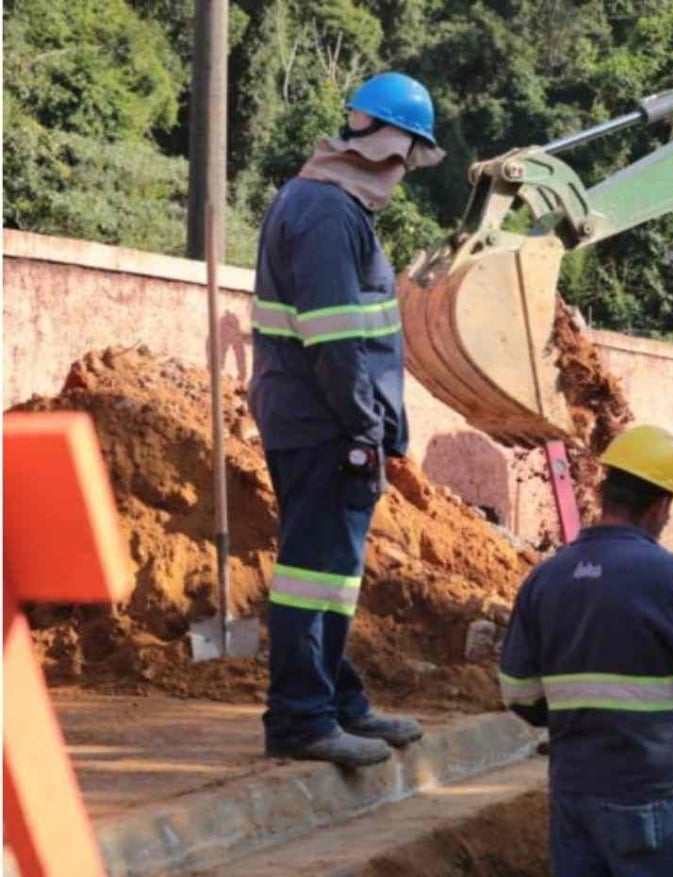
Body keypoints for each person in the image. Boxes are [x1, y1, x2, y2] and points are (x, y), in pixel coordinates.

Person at [248, 72, 446, 767]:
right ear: (386, 148)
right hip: (324, 424)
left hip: (319, 419)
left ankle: (338, 698)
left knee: (331, 572)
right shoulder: (328, 213)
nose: (402, 173)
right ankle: (302, 716)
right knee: (314, 570)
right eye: (405, 157)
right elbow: (334, 342)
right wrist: (367, 427)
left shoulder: (330, 207)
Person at [499, 425, 673, 876]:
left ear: (607, 494)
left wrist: (575, 717)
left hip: (573, 796)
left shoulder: (547, 578)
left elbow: (519, 694)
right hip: (645, 797)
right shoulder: (664, 576)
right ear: (660, 506)